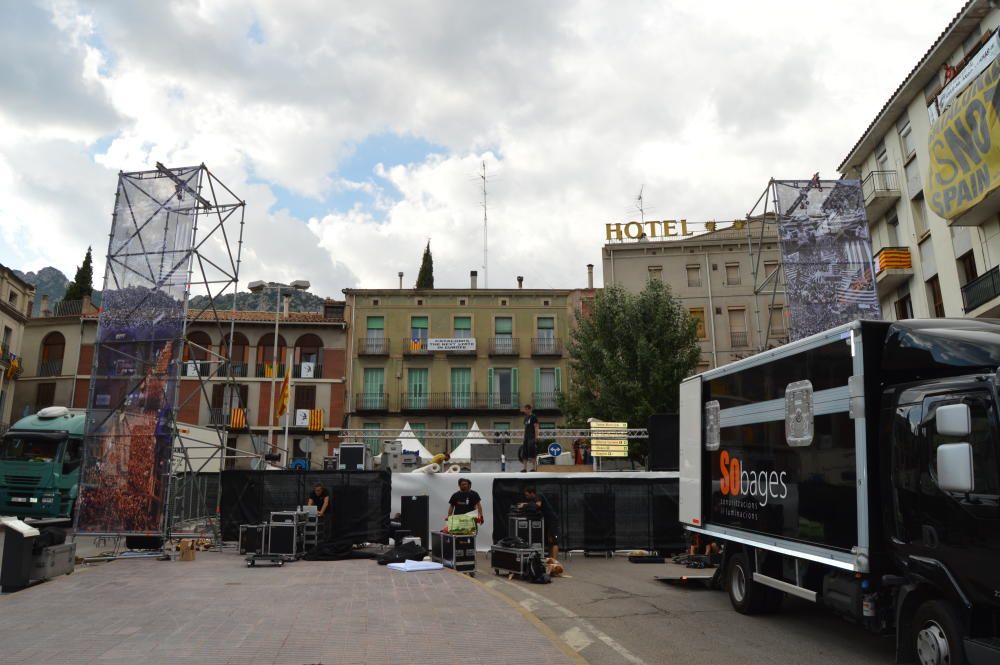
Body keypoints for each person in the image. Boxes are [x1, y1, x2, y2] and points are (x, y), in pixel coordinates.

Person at [523, 486, 559, 560]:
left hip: (552, 520)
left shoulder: (539, 495)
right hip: (547, 520)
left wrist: (525, 505)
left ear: (532, 493)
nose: (526, 497)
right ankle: (551, 559)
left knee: (554, 541)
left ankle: (555, 562)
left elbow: (538, 505)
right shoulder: (534, 499)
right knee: (549, 541)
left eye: (527, 495)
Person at [520, 404, 540, 472]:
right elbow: (525, 428)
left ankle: (534, 468)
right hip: (526, 437)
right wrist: (523, 437)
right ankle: (524, 468)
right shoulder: (525, 418)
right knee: (524, 452)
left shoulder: (533, 417)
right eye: (524, 409)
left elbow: (536, 427)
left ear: (529, 409)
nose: (525, 411)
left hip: (532, 437)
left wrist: (536, 437)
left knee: (532, 452)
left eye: (526, 409)